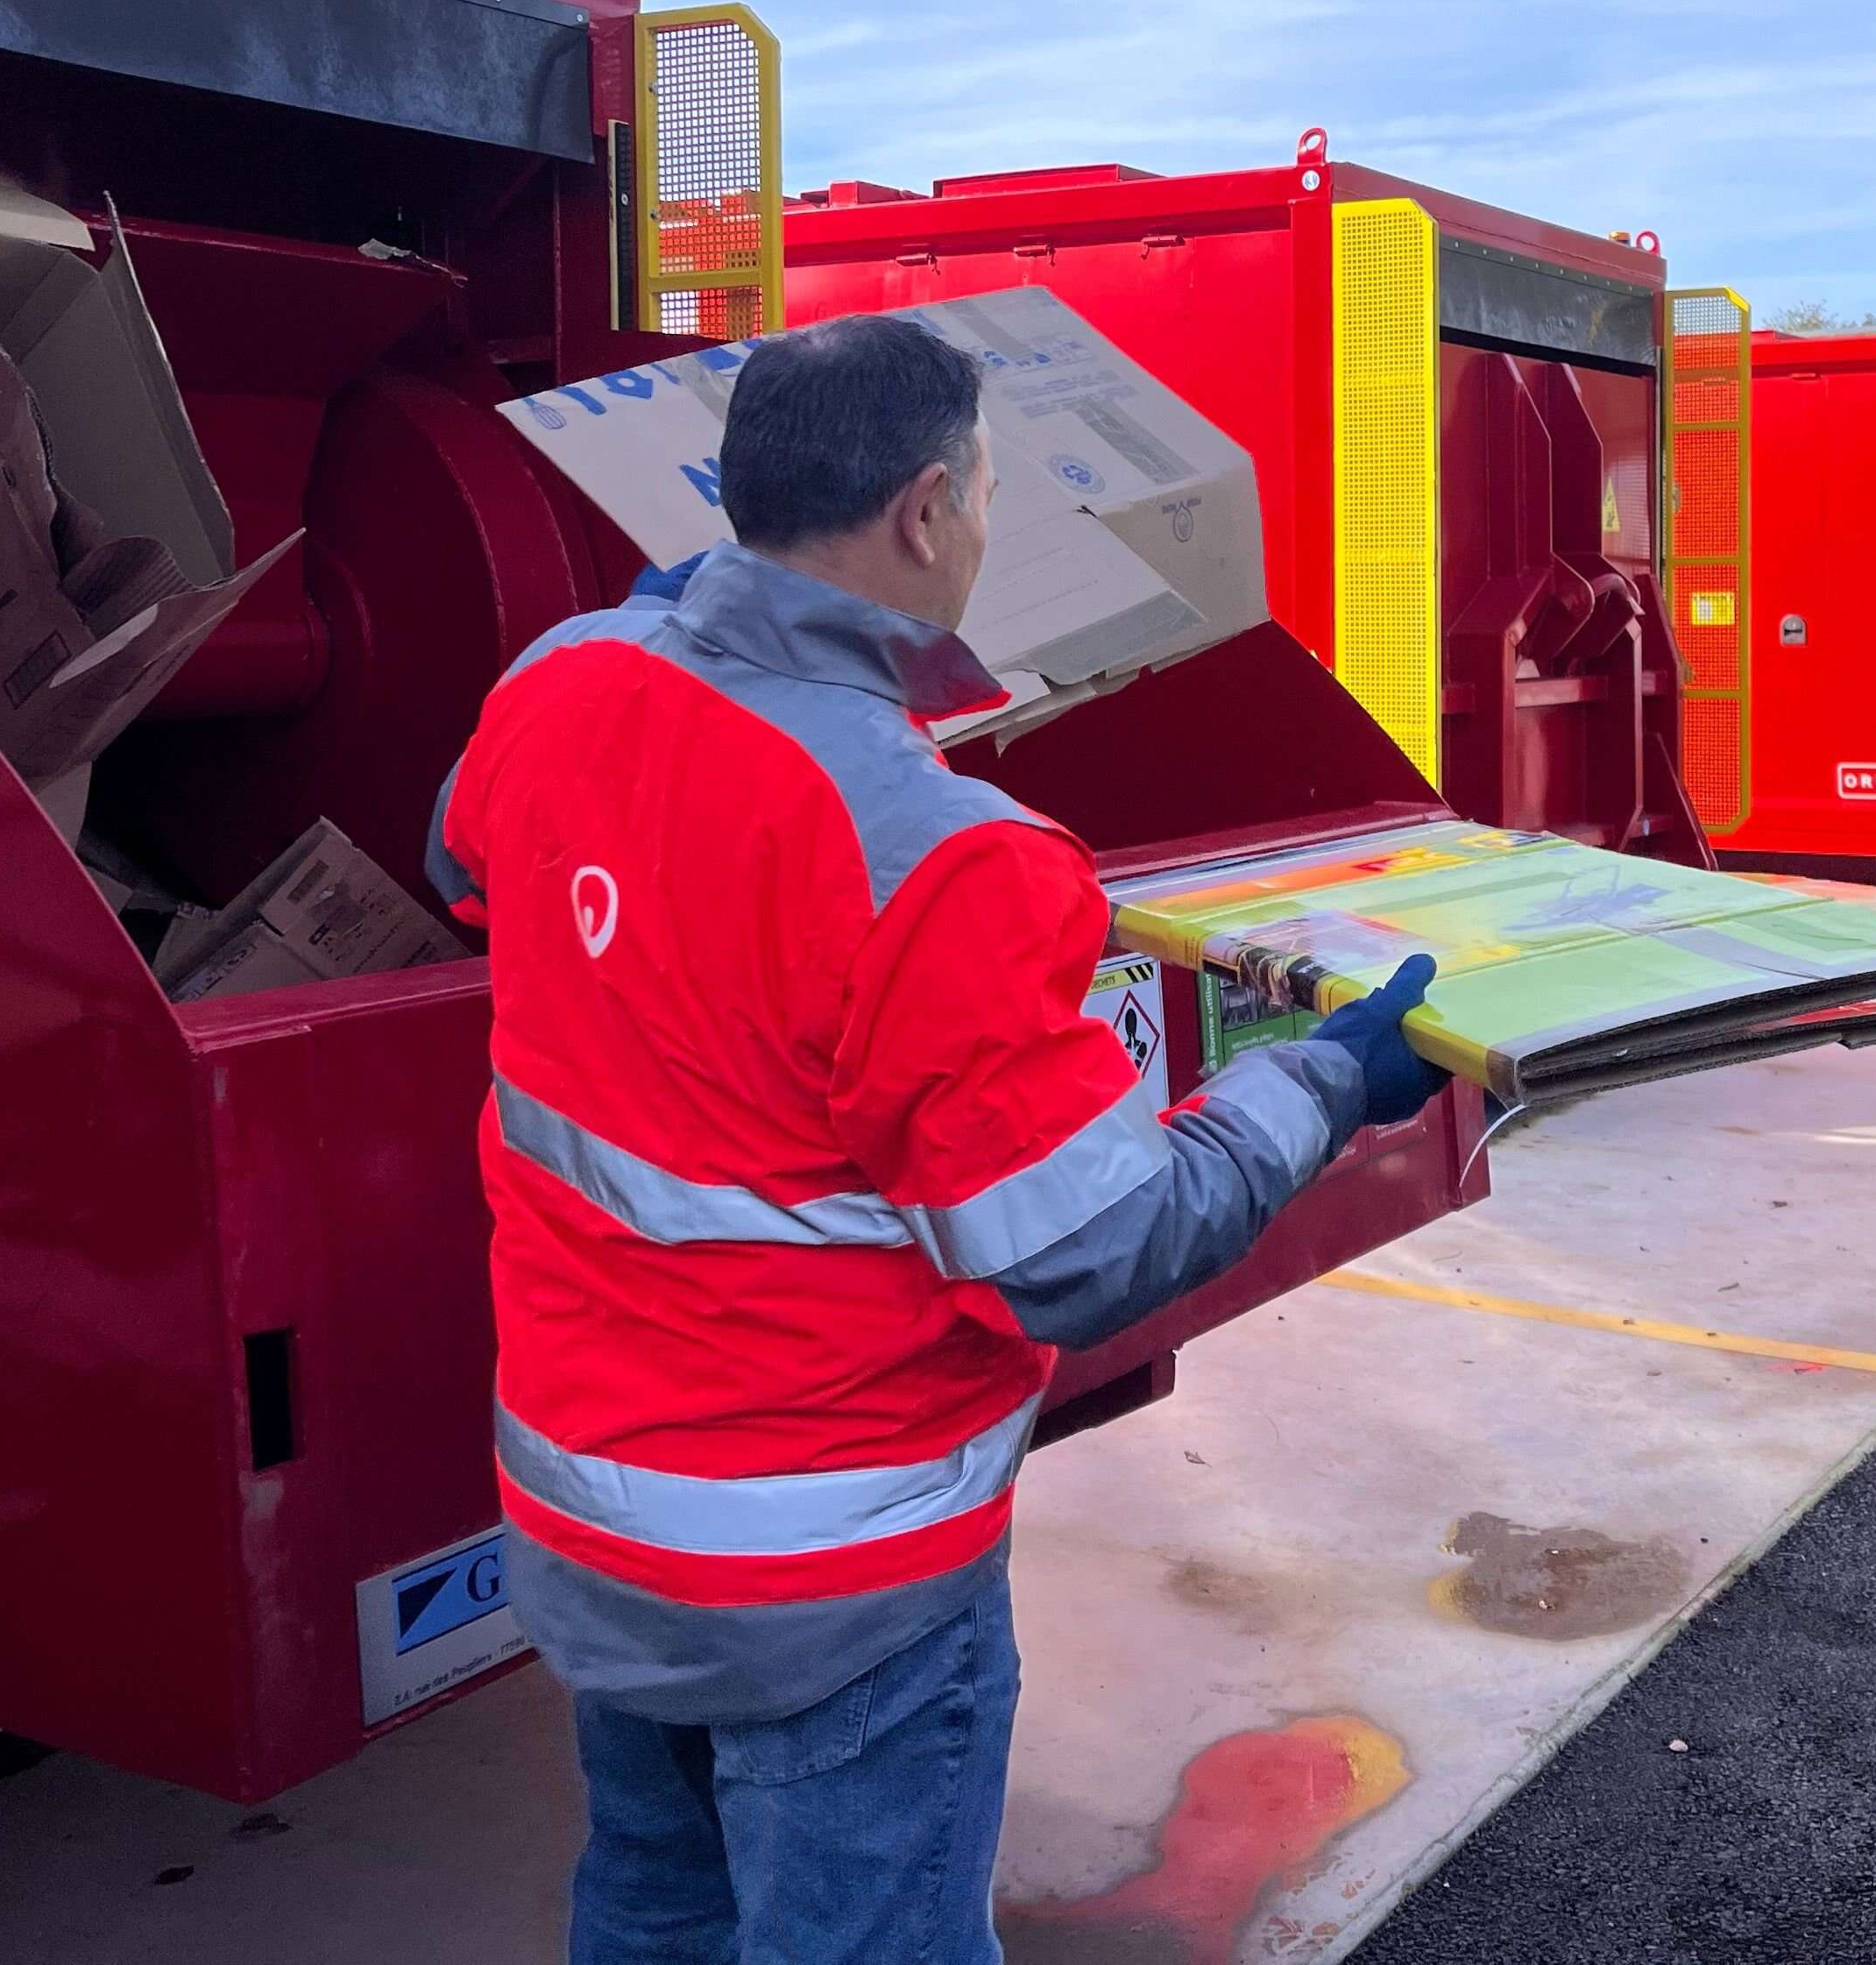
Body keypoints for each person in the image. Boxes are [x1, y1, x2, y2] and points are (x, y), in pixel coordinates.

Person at [428, 315, 1444, 1964]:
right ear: (923, 512)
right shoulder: (942, 849)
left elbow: (465, 858)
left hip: (586, 1515)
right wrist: (1323, 1080)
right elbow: (1083, 1248)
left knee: (650, 1901)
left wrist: (658, 662)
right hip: (832, 1569)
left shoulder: (557, 681)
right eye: (982, 490)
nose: (980, 525)